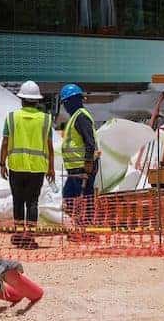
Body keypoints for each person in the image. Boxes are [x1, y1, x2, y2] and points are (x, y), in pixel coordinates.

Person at [0, 81, 55, 249]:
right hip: (37, 167)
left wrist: (2, 163)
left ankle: (18, 234)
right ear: (37, 101)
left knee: (18, 201)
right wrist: (51, 167)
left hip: (16, 166)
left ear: (21, 99)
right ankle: (29, 237)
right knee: (32, 202)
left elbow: (5, 142)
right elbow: (49, 146)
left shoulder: (11, 117)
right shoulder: (46, 120)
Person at [59, 84, 98, 229]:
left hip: (82, 167)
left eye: (65, 103)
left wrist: (88, 162)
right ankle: (81, 226)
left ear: (72, 101)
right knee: (73, 197)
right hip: (77, 168)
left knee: (80, 198)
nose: (65, 107)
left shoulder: (81, 117)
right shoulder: (77, 116)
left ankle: (84, 227)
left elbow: (90, 142)